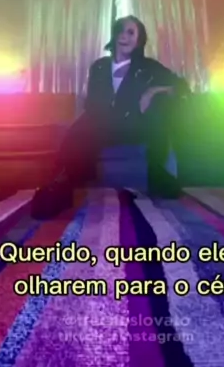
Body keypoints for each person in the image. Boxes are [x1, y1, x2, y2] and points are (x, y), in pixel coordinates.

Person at [31, 15, 190, 219]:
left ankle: (158, 176)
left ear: (139, 39)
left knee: (156, 112)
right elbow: (93, 103)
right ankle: (60, 186)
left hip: (134, 125)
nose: (124, 36)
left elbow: (181, 86)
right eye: (121, 31)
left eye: (131, 32)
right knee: (80, 128)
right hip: (103, 125)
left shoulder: (148, 66)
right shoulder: (99, 66)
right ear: (114, 36)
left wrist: (152, 91)